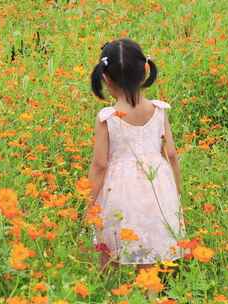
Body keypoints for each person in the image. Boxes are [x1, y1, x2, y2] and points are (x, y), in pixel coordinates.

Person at [86, 38, 189, 299]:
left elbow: (99, 164)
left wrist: (89, 202)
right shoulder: (159, 110)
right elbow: (173, 154)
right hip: (159, 188)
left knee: (111, 251)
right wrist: (175, 195)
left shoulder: (107, 118)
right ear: (145, 70)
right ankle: (149, 297)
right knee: (149, 253)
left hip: (119, 192)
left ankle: (110, 295)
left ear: (106, 80)